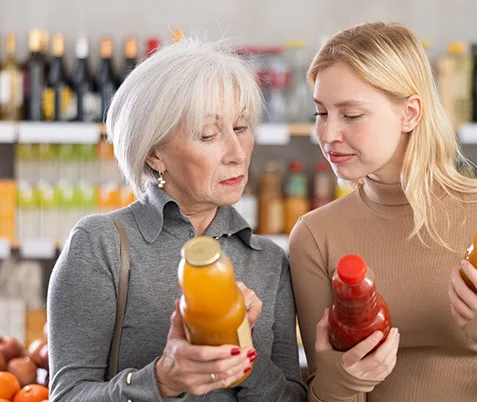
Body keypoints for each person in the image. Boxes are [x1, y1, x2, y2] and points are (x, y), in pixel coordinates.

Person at [289, 22, 477, 402]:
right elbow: (321, 391)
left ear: (409, 113)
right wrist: (341, 384)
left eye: (351, 115)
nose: (328, 134)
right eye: (321, 113)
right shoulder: (314, 235)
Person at [47, 39, 307, 402]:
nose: (236, 153)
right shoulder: (101, 245)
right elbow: (67, 396)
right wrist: (162, 380)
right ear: (155, 153)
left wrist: (242, 356)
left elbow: (291, 397)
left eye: (242, 127)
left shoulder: (268, 260)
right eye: (209, 134)